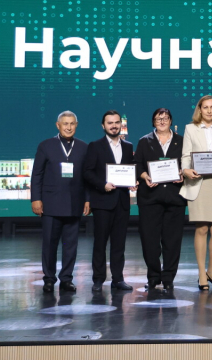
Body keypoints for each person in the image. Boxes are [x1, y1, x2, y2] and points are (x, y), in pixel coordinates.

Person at [30, 110, 90, 293]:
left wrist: (87, 199)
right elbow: (37, 174)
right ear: (58, 125)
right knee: (49, 244)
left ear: (76, 125)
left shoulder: (83, 147)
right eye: (65, 124)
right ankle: (49, 279)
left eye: (72, 124)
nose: (69, 127)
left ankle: (66, 279)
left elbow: (87, 177)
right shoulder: (46, 145)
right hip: (50, 203)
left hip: (74, 203)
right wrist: (36, 199)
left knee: (70, 245)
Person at [179, 95, 212, 290]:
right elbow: (186, 155)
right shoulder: (190, 129)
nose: (209, 111)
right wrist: (186, 170)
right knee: (201, 229)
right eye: (205, 107)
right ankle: (202, 273)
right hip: (198, 183)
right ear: (199, 110)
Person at [82, 110, 135, 292]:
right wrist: (102, 185)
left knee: (119, 243)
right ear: (103, 125)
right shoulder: (95, 146)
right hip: (102, 201)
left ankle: (118, 279)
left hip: (122, 201)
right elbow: (87, 172)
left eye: (116, 122)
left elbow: (130, 169)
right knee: (100, 243)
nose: (114, 126)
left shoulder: (128, 146)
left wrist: (133, 181)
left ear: (121, 124)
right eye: (110, 123)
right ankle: (98, 279)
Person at [134, 108, 186, 292]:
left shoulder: (182, 141)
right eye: (158, 119)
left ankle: (169, 277)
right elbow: (137, 164)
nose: (162, 121)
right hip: (150, 198)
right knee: (150, 241)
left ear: (171, 121)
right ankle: (153, 277)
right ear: (153, 122)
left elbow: (188, 163)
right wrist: (144, 175)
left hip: (175, 197)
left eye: (165, 118)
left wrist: (182, 173)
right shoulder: (144, 141)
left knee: (172, 241)